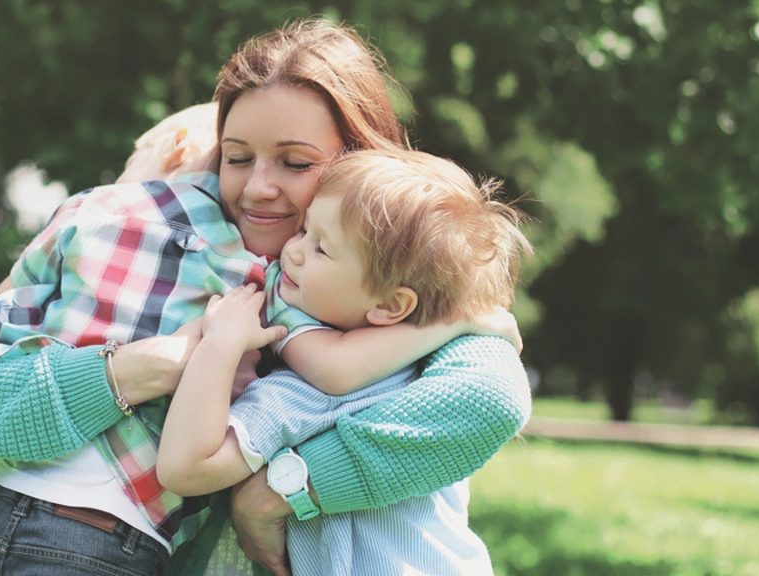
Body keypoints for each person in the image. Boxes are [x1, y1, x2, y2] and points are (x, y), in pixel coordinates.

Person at [0, 19, 531, 576]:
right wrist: (138, 368)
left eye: (297, 163)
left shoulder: (416, 278)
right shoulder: (175, 248)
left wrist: (282, 492)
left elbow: (489, 400)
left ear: (358, 170)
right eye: (234, 157)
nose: (258, 188)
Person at [157, 149, 530, 576]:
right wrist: (457, 322)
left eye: (321, 248)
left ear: (391, 305)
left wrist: (220, 343)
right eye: (303, 229)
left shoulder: (314, 396)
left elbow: (185, 468)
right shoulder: (431, 376)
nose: (292, 252)